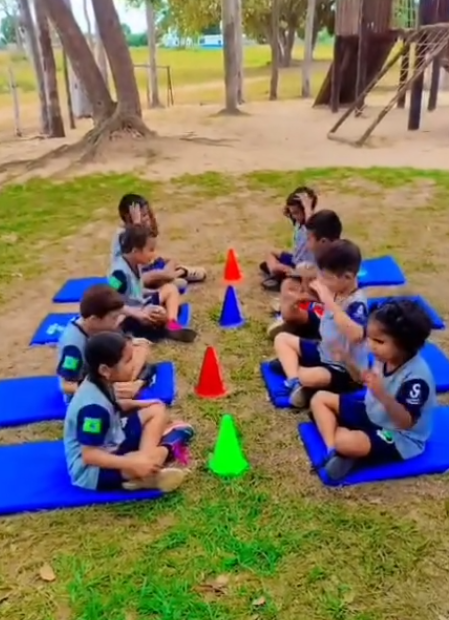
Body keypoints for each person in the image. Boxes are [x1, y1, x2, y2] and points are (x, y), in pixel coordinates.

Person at [310, 299, 436, 481]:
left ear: (404, 344)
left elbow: (405, 422)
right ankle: (333, 451)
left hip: (399, 435)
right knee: (319, 399)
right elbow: (363, 379)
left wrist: (381, 394)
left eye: (379, 341)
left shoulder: (416, 378)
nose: (371, 345)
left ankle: (345, 447)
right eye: (369, 338)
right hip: (373, 412)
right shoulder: (384, 356)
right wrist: (347, 360)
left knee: (346, 441)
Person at [64, 331, 194, 492]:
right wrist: (131, 463)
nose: (134, 365)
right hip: (92, 472)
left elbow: (113, 405)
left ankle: (145, 465)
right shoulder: (93, 410)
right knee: (182, 430)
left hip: (113, 438)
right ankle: (149, 469)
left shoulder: (99, 381)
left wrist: (141, 404)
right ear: (105, 370)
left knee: (157, 409)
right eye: (128, 361)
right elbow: (89, 455)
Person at [272, 239, 368, 409]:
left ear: (347, 277)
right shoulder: (337, 290)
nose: (322, 281)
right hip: (323, 350)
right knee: (281, 339)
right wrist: (304, 297)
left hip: (344, 367)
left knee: (308, 376)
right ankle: (295, 382)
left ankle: (299, 377)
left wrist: (328, 301)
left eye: (327, 278)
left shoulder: (357, 303)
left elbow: (356, 334)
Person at [57, 284, 151, 401]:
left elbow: (140, 346)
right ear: (94, 319)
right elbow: (66, 385)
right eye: (114, 318)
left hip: (108, 372)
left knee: (141, 347)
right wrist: (106, 392)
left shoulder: (98, 324)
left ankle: (134, 383)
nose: (118, 321)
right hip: (90, 392)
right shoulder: (73, 346)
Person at [108, 224, 197, 343]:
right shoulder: (119, 274)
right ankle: (163, 323)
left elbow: (135, 290)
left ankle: (172, 324)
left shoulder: (135, 263)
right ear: (135, 251)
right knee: (160, 312)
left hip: (141, 304)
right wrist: (137, 314)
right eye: (150, 250)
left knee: (170, 289)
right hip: (131, 315)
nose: (153, 254)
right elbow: (110, 300)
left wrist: (152, 293)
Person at [267, 209, 343, 341]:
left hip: (329, 314)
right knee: (288, 284)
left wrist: (303, 296)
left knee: (289, 311)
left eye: (309, 239)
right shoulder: (323, 255)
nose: (307, 245)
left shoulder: (337, 263)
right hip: (315, 300)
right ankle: (291, 316)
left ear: (323, 241)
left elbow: (333, 299)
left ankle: (290, 319)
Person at [111, 193, 206, 288]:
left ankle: (176, 273)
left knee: (170, 261)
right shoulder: (123, 234)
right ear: (129, 217)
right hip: (136, 275)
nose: (147, 218)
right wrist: (137, 223)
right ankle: (177, 274)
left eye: (147, 214)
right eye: (143, 215)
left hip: (146, 267)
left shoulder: (142, 229)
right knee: (166, 279)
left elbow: (148, 255)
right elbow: (133, 254)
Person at [260, 187, 317, 291]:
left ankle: (285, 276)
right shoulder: (298, 223)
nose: (294, 216)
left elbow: (310, 223)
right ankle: (281, 273)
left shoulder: (313, 226)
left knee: (275, 267)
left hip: (305, 267)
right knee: (269, 253)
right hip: (295, 260)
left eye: (296, 213)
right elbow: (289, 212)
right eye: (292, 213)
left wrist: (307, 206)